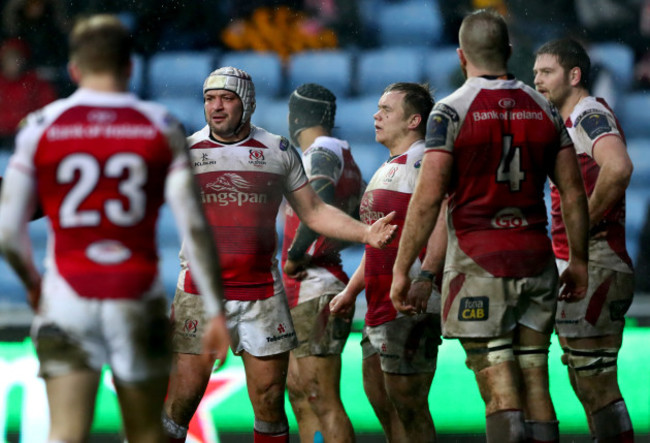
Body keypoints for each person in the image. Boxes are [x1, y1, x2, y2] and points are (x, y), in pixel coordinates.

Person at [0, 14, 230, 443]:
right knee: (145, 434)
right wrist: (215, 307)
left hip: (66, 296)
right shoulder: (160, 125)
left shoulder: (39, 126)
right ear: (129, 67)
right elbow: (195, 227)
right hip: (135, 296)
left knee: (65, 432)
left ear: (73, 69)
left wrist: (34, 284)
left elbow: (8, 232)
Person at [163, 66, 397, 443]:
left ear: (248, 103)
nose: (216, 107)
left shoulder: (278, 150)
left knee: (272, 401)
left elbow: (315, 211)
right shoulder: (185, 153)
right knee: (182, 401)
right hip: (199, 295)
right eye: (209, 99)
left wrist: (366, 232)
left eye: (227, 98)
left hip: (262, 294)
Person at [390, 9, 590, 443]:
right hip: (536, 261)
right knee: (535, 380)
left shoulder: (449, 112)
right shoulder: (545, 107)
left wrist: (402, 269)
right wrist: (578, 262)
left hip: (479, 266)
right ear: (511, 52)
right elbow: (573, 194)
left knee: (499, 390)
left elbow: (427, 199)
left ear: (462, 56)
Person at [534, 38, 635, 442]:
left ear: (574, 76)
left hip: (597, 261)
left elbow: (619, 167)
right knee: (585, 380)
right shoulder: (565, 122)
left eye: (547, 72)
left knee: (596, 384)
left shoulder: (587, 113)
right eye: (535, 71)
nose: (536, 80)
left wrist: (582, 226)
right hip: (584, 262)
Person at [330, 82, 443, 442]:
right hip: (377, 305)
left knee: (410, 408)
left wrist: (426, 276)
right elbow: (377, 242)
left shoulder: (426, 162)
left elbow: (443, 222)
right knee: (384, 405)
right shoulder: (387, 167)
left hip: (408, 304)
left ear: (414, 120)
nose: (376, 115)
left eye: (386, 110)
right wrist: (351, 292)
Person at [281, 83, 362, 442]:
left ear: (295, 117)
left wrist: (297, 254)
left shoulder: (321, 151)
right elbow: (352, 221)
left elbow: (320, 205)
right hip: (311, 284)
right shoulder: (344, 153)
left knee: (322, 397)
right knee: (301, 394)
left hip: (314, 285)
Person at [0, 38, 58, 145]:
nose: (12, 62)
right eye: (9, 58)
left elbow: (48, 111)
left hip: (29, 137)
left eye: (16, 58)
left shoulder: (36, 82)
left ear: (23, 59)